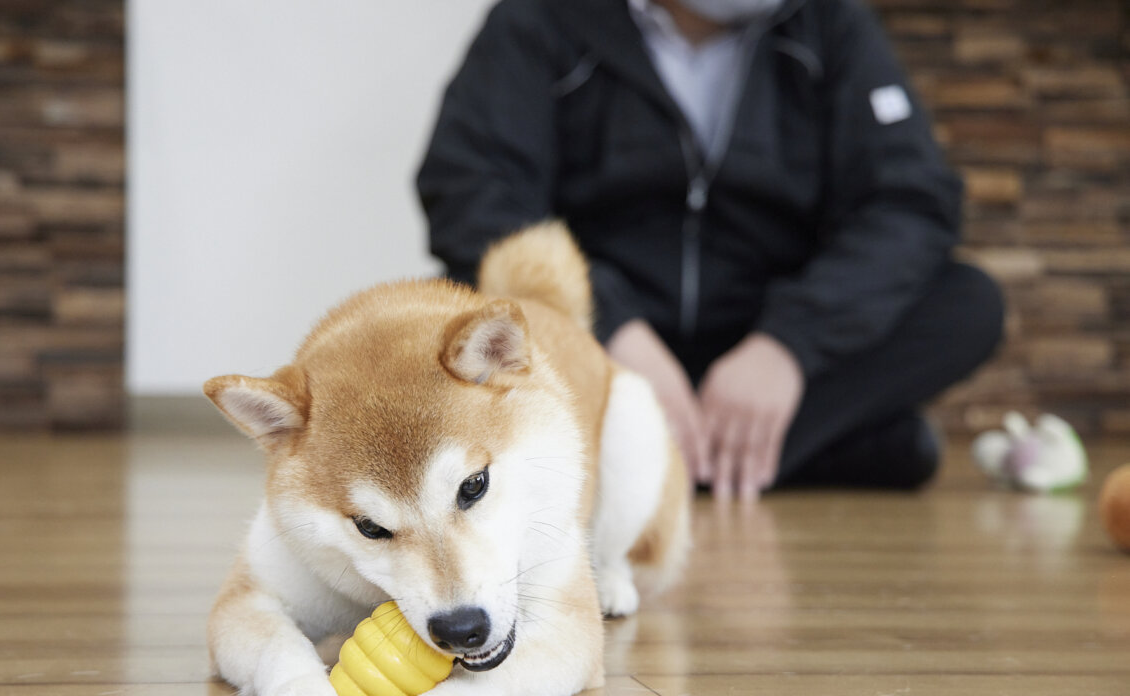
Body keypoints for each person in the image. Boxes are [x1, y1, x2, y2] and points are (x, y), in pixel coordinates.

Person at [416, 0, 1004, 500]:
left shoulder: (831, 24)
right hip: (597, 344)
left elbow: (911, 201)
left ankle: (658, 467)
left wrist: (788, 344)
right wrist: (611, 330)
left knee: (966, 303)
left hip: (762, 337)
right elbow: (472, 194)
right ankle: (791, 454)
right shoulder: (538, 19)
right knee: (434, 322)